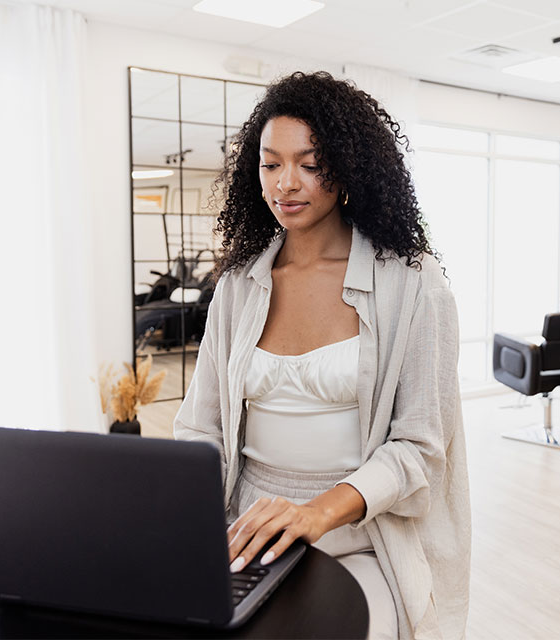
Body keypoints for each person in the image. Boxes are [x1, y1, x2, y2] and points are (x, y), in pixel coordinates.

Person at [174, 70, 470, 639]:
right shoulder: (240, 284)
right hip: (248, 529)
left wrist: (314, 514)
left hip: (361, 537)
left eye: (310, 164)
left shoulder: (411, 283)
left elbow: (419, 449)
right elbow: (199, 427)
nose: (286, 183)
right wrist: (191, 516)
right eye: (271, 163)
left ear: (349, 169)